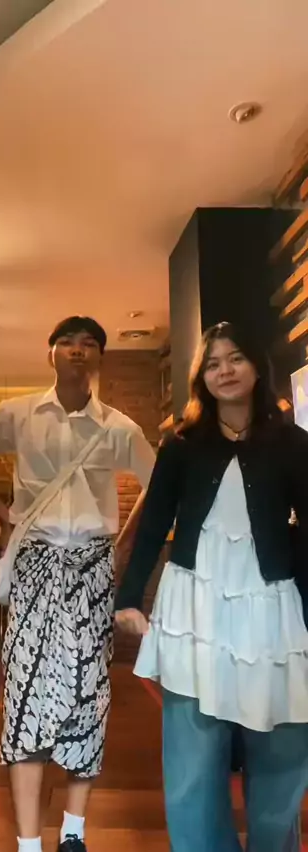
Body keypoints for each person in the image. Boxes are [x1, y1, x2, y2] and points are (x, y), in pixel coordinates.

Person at [0, 316, 155, 852]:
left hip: (92, 566)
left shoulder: (118, 427)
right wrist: (4, 514)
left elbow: (160, 484)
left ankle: (73, 832)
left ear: (100, 357)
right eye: (67, 342)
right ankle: (27, 842)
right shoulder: (19, 413)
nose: (77, 350)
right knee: (24, 694)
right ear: (51, 353)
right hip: (35, 562)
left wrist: (123, 545)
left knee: (88, 693)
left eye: (89, 344)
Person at [115, 321, 308, 852]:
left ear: (258, 367)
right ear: (202, 376)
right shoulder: (181, 445)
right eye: (214, 363)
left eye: (236, 358)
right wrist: (129, 597)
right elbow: (153, 523)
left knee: (283, 746)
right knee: (192, 759)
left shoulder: (293, 444)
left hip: (270, 604)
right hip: (193, 605)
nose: (225, 371)